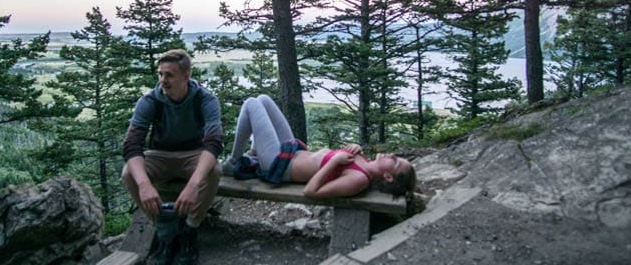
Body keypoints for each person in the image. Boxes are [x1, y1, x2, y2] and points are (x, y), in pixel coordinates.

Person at [122, 49, 223, 265]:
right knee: (128, 173)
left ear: (186, 76)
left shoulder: (205, 99)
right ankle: (163, 229)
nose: (162, 81)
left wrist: (194, 184)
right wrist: (144, 185)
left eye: (169, 75)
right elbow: (132, 144)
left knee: (214, 171)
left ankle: (189, 230)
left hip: (193, 154)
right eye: (160, 74)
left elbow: (213, 143)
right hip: (159, 154)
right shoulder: (150, 100)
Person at [223, 95, 416, 198]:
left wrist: (334, 161)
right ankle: (254, 152)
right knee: (264, 99)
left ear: (388, 176)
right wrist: (351, 148)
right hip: (292, 152)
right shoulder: (363, 160)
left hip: (279, 166)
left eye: (396, 161)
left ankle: (233, 162)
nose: (391, 155)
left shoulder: (358, 180)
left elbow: (311, 192)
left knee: (251, 104)